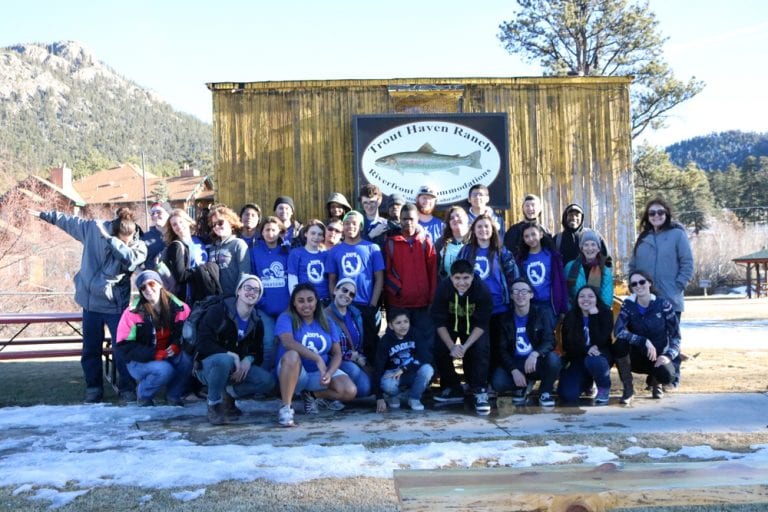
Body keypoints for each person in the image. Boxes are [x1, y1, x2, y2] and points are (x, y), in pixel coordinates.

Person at [34, 207, 147, 403]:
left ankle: (127, 388)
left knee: (122, 350)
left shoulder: (139, 246)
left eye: (126, 241)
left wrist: (111, 241)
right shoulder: (94, 230)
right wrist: (46, 215)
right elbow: (69, 222)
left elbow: (129, 260)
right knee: (90, 349)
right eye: (119, 239)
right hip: (90, 304)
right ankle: (94, 388)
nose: (124, 243)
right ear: (113, 230)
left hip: (115, 306)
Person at [194, 274, 276, 425]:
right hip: (208, 367)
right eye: (248, 288)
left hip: (235, 370)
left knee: (267, 381)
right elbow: (202, 343)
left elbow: (258, 353)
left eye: (256, 290)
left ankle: (228, 395)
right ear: (238, 291)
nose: (252, 292)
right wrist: (230, 354)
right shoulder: (218, 311)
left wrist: (249, 359)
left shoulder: (257, 321)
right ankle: (214, 405)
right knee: (224, 360)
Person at [629, 197, 693, 388]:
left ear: (667, 214)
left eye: (660, 212)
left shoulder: (677, 234)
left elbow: (687, 263)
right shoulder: (643, 238)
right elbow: (632, 265)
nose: (656, 216)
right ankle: (654, 377)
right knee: (650, 338)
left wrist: (678, 285)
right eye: (652, 213)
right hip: (645, 299)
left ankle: (671, 378)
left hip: (670, 297)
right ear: (647, 217)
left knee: (670, 339)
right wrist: (633, 285)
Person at [275, 284, 357, 427]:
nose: (306, 305)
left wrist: (330, 373)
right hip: (296, 373)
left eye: (310, 300)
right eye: (301, 301)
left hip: (318, 375)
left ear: (316, 301)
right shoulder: (286, 317)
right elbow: (287, 342)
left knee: (350, 391)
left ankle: (312, 395)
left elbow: (337, 353)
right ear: (294, 303)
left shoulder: (326, 321)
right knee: (292, 355)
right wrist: (317, 358)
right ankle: (286, 408)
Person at [457, 213, 519, 384]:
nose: (483, 230)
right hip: (473, 308)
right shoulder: (466, 251)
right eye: (479, 227)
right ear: (474, 230)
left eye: (487, 226)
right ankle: (473, 384)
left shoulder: (502, 251)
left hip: (499, 308)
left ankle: (491, 383)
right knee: (475, 347)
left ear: (493, 230)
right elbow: (457, 278)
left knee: (496, 347)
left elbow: (513, 277)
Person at [116, 270, 193, 406]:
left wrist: (176, 345)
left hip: (168, 354)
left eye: (151, 283)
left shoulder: (181, 308)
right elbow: (124, 346)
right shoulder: (132, 313)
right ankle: (144, 395)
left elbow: (188, 336)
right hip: (138, 360)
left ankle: (173, 395)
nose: (148, 289)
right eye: (143, 287)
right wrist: (154, 354)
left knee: (187, 359)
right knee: (164, 370)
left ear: (160, 284)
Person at [431, 259, 494, 416]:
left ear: (473, 276)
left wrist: (465, 347)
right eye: (457, 278)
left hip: (473, 327)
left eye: (466, 278)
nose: (462, 282)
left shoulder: (482, 290)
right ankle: (453, 387)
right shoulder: (443, 289)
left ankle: (479, 390)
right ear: (451, 278)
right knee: (439, 347)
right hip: (450, 325)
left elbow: (482, 324)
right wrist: (452, 346)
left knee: (481, 348)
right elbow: (439, 322)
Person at [327, 210, 385, 361]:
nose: (350, 227)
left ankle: (371, 378)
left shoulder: (373, 248)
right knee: (346, 343)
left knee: (370, 344)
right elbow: (332, 279)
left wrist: (372, 305)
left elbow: (379, 278)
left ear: (360, 226)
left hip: (366, 305)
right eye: (346, 223)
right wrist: (335, 301)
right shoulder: (334, 251)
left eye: (354, 224)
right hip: (344, 305)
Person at [613, 270, 680, 402]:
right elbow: (619, 331)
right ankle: (628, 389)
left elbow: (676, 337)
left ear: (649, 283)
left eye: (642, 282)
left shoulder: (663, 305)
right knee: (619, 344)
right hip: (635, 356)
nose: (638, 286)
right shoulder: (628, 305)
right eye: (634, 284)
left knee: (668, 376)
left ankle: (657, 383)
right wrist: (643, 341)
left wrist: (668, 356)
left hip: (657, 356)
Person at [494, 278, 562, 407]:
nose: (520, 294)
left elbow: (550, 341)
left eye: (524, 291)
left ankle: (545, 392)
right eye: (516, 291)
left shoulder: (542, 313)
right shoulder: (504, 318)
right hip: (516, 362)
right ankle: (522, 386)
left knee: (554, 360)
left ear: (531, 295)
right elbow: (501, 349)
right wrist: (513, 369)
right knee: (498, 383)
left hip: (535, 362)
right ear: (512, 296)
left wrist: (535, 354)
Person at [383, 203, 437, 354]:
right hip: (399, 304)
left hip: (422, 304)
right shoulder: (391, 242)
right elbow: (386, 272)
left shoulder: (425, 241)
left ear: (418, 219)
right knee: (398, 343)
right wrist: (398, 290)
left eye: (412, 219)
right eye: (405, 219)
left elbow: (432, 271)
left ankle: (428, 373)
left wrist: (431, 298)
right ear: (400, 220)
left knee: (425, 341)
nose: (408, 222)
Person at [557, 285, 613, 405]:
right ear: (577, 300)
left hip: (600, 357)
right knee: (567, 395)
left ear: (597, 299)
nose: (586, 299)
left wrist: (593, 316)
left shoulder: (606, 314)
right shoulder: (570, 316)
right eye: (581, 296)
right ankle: (587, 383)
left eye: (590, 296)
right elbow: (567, 345)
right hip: (578, 357)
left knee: (594, 361)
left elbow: (601, 341)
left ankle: (603, 388)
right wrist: (586, 349)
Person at [373, 308, 435, 412]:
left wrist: (405, 368)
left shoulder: (415, 333)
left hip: (411, 370)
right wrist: (379, 397)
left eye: (406, 321)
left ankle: (414, 398)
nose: (403, 326)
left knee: (427, 369)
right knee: (386, 384)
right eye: (398, 323)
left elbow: (426, 356)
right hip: (393, 373)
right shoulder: (385, 340)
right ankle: (394, 396)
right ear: (391, 325)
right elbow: (378, 368)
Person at [250, 216, 291, 372]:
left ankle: (282, 378)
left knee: (286, 343)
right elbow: (252, 277)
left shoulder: (287, 252)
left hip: (286, 308)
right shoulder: (254, 252)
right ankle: (266, 378)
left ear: (280, 232)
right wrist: (260, 301)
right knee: (268, 343)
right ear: (262, 232)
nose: (270, 233)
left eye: (274, 230)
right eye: (267, 229)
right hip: (264, 307)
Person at [325, 278, 371, 401]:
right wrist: (349, 357)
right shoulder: (324, 316)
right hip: (332, 360)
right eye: (344, 290)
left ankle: (342, 392)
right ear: (335, 290)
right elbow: (325, 347)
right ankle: (326, 395)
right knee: (353, 370)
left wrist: (358, 357)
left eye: (351, 294)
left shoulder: (355, 315)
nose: (347, 295)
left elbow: (358, 343)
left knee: (365, 389)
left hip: (353, 359)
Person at [517, 223, 568, 332]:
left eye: (533, 234)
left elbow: (561, 282)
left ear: (541, 234)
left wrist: (563, 308)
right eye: (526, 236)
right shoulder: (521, 259)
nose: (531, 239)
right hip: (530, 305)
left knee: (548, 337)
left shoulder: (552, 256)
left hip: (549, 305)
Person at [162, 208, 208, 304]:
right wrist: (204, 271)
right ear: (172, 229)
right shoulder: (176, 246)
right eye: (174, 224)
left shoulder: (199, 241)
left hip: (206, 288)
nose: (178, 226)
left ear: (188, 222)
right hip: (190, 294)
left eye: (181, 222)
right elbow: (181, 276)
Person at [563, 229, 613, 309]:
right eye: (586, 245)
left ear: (598, 248)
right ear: (581, 248)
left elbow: (606, 300)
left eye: (593, 245)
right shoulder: (570, 266)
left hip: (597, 315)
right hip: (574, 315)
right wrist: (572, 313)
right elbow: (565, 293)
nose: (590, 248)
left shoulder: (605, 270)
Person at [206, 204, 250, 297]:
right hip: (216, 300)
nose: (217, 226)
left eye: (220, 223)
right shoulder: (212, 248)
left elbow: (244, 273)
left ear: (230, 222)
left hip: (234, 298)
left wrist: (238, 296)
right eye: (214, 224)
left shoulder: (238, 244)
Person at [288, 219, 330, 302]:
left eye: (320, 234)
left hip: (325, 300)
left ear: (323, 237)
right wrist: (296, 300)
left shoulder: (326, 255)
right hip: (306, 301)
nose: (316, 237)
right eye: (313, 233)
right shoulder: (296, 253)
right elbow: (292, 279)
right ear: (306, 234)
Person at [503, 193, 553, 259]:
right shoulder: (513, 230)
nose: (530, 208)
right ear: (523, 209)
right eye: (527, 206)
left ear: (540, 209)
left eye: (533, 205)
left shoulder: (545, 231)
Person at [435, 205, 469, 280]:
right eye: (451, 218)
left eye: (458, 215)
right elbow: (435, 270)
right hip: (449, 288)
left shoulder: (476, 239)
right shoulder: (441, 243)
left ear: (466, 218)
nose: (455, 219)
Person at [141, 201, 171, 270]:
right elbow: (135, 265)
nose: (155, 215)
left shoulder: (176, 234)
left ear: (168, 213)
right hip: (154, 278)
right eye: (152, 213)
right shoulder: (144, 238)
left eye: (158, 212)